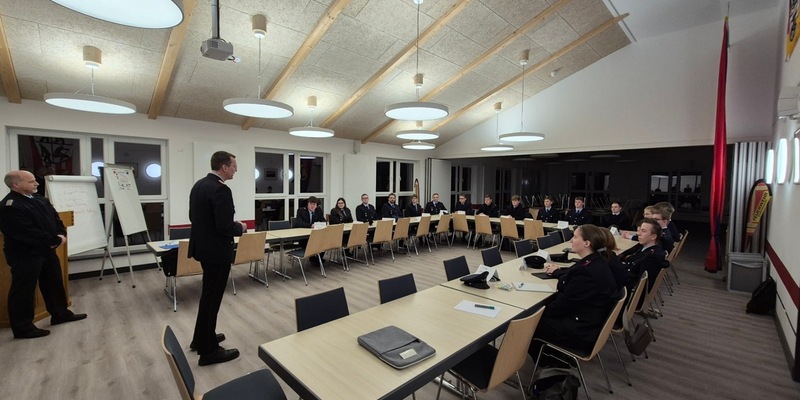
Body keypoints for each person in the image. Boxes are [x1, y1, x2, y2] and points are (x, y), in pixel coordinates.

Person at [0, 170, 87, 339]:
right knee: (23, 290)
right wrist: (53, 239)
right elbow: (25, 232)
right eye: (32, 181)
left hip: (47, 250)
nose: (36, 184)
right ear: (16, 185)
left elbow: (56, 219)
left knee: (53, 282)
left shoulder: (40, 199)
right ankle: (23, 327)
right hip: (25, 254)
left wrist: (61, 234)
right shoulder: (10, 206)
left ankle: (60, 313)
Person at [188, 151, 246, 366]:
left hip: (204, 249)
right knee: (212, 299)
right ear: (224, 167)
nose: (235, 171)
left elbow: (194, 217)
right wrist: (240, 227)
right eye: (234, 167)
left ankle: (201, 337)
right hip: (217, 252)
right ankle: (208, 351)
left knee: (207, 297)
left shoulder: (199, 185)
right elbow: (223, 226)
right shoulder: (221, 190)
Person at [530, 224, 619, 356]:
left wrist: (536, 312)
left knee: (529, 325)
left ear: (587, 243)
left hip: (581, 331)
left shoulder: (587, 272)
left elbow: (563, 305)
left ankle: (553, 363)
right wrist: (558, 273)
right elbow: (572, 279)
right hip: (590, 320)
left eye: (575, 237)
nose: (571, 240)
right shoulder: (595, 261)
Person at [618, 218, 669, 294]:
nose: (638, 233)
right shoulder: (647, 248)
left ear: (653, 236)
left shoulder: (651, 258)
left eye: (643, 231)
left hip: (625, 289)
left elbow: (638, 284)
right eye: (640, 230)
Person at [295, 196, 327, 265]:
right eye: (311, 204)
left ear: (316, 205)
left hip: (315, 235)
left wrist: (320, 224)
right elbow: (298, 223)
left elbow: (323, 221)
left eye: (314, 204)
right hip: (304, 237)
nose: (312, 206)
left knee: (324, 241)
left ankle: (318, 258)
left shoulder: (318, 210)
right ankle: (313, 258)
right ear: (308, 204)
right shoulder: (301, 211)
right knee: (314, 242)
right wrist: (310, 225)